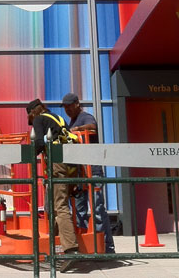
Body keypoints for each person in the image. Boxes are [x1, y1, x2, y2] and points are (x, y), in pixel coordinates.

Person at [26, 99, 80, 273]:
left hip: (57, 165)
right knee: (55, 206)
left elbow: (40, 143)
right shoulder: (57, 117)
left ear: (33, 112)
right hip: (70, 164)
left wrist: (27, 156)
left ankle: (71, 250)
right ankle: (56, 244)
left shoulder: (39, 119)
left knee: (60, 206)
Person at [62, 92, 115, 254]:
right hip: (78, 173)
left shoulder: (85, 117)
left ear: (77, 104)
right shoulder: (70, 122)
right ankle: (86, 247)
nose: (67, 110)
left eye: (69, 106)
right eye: (65, 107)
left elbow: (92, 127)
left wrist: (77, 129)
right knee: (80, 212)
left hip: (92, 171)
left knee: (98, 210)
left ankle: (105, 247)